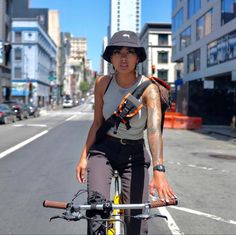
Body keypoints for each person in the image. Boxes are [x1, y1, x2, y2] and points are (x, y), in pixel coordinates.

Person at [76, 30, 177, 235]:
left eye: (130, 52)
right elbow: (97, 123)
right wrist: (83, 157)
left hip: (135, 154)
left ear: (138, 57)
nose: (123, 58)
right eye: (118, 52)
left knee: (137, 220)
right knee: (96, 213)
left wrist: (159, 170)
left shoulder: (149, 89)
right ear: (110, 57)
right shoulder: (102, 83)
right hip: (104, 150)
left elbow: (155, 131)